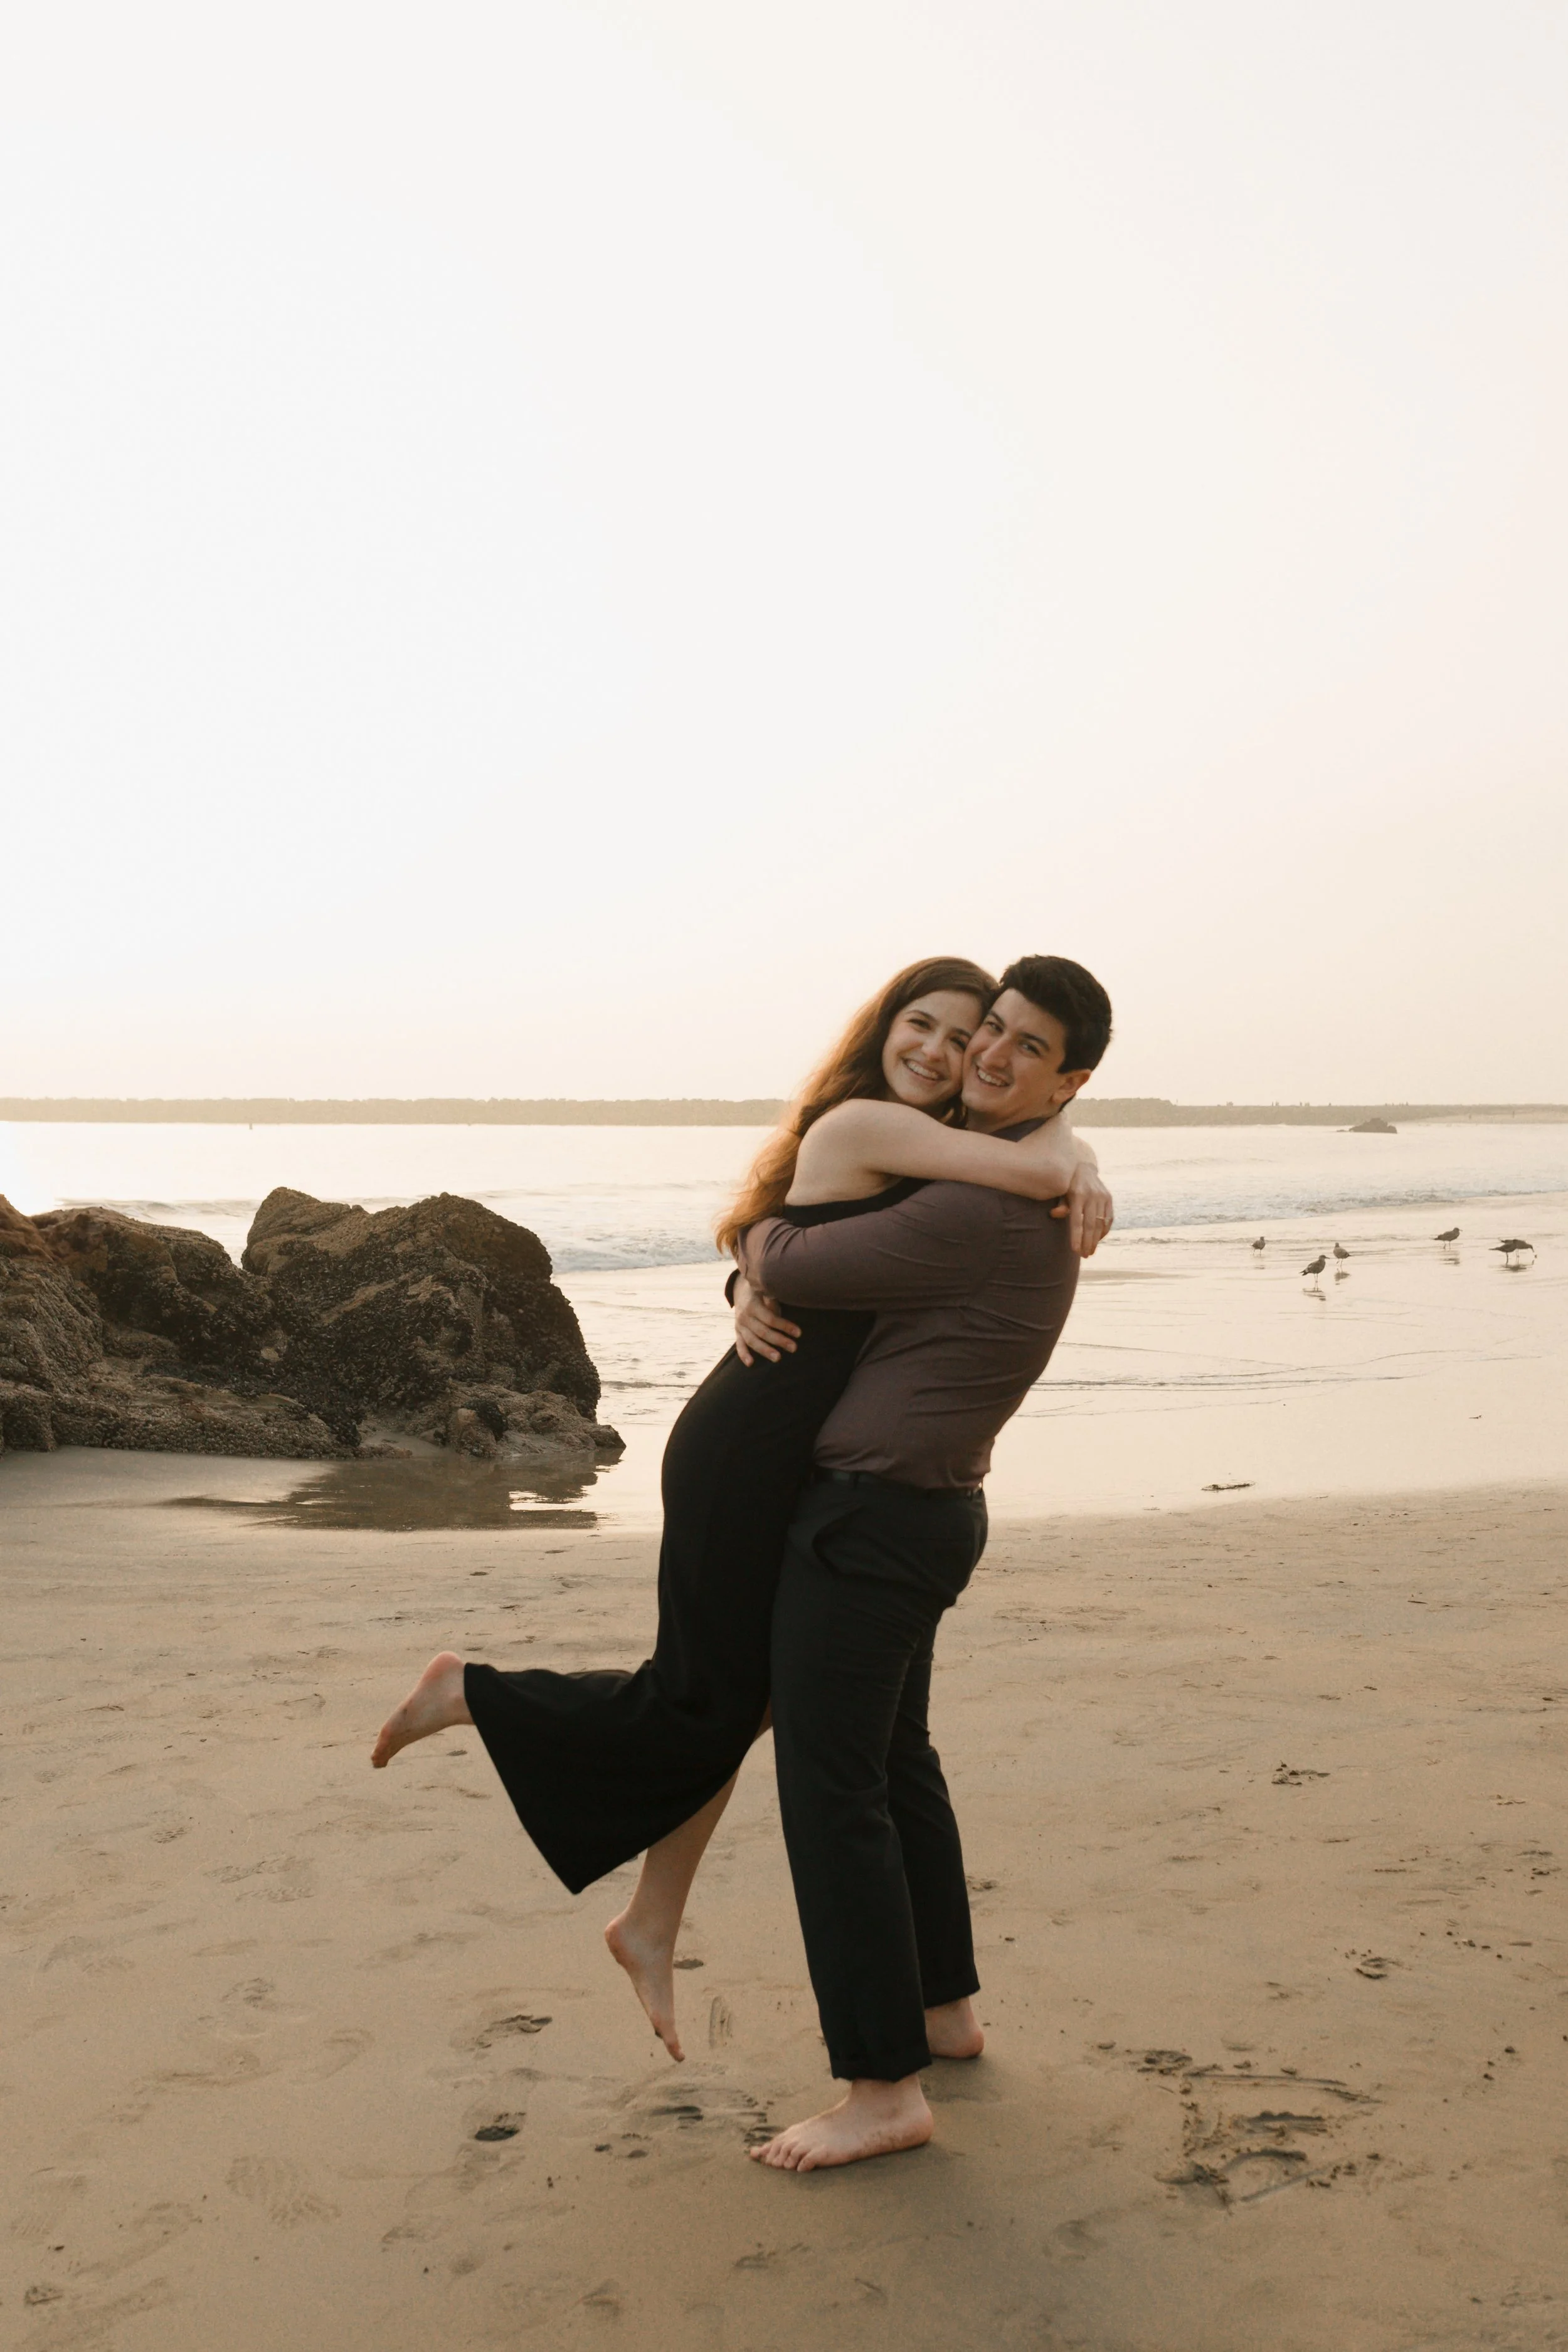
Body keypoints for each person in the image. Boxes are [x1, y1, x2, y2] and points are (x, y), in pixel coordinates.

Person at [371, 957, 1113, 2063]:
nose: (954, 1053)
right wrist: (1075, 1157)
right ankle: (472, 1692)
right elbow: (841, 1230)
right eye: (932, 1025)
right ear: (882, 1029)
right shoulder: (882, 1128)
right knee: (706, 1699)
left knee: (751, 1701)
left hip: (794, 1447)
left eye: (972, 1038)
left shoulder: (945, 1148)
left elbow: (825, 1241)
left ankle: (653, 1919)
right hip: (749, 1444)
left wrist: (756, 1261)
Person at [734, 954, 1115, 2173]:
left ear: (1069, 1080)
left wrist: (751, 1247)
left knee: (831, 1791)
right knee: (896, 1768)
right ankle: (943, 2011)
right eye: (991, 1028)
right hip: (916, 1515)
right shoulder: (1013, 1181)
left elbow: (797, 1260)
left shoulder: (973, 1209)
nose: (989, 1055)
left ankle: (881, 2089)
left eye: (1027, 1046)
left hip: (872, 1525)